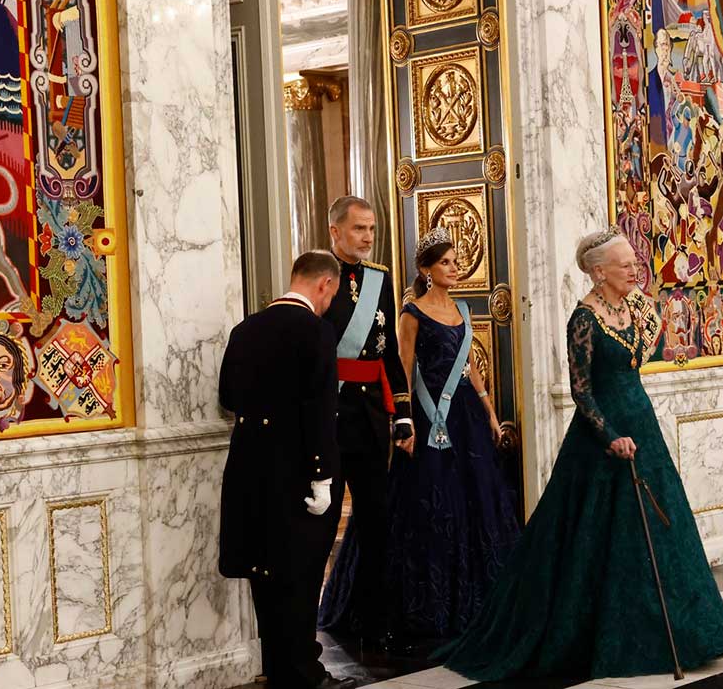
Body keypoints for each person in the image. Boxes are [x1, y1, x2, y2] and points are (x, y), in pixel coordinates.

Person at [435, 231, 723, 681]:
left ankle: (687, 632)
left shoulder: (632, 308)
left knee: (661, 530)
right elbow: (582, 391)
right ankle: (600, 635)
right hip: (601, 440)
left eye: (635, 262)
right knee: (594, 539)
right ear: (599, 272)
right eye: (625, 264)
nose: (635, 270)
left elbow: (643, 355)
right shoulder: (584, 319)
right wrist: (610, 435)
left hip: (644, 427)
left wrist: (652, 316)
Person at [217, 251, 355, 689]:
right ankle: (304, 672)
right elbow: (320, 409)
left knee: (265, 572)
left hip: (249, 466)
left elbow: (227, 396)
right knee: (302, 572)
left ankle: (277, 668)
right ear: (325, 285)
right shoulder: (316, 332)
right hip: (297, 469)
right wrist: (323, 475)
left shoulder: (244, 329)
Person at [387, 227, 520, 639]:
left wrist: (492, 415)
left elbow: (473, 369)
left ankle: (487, 600)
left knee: (478, 499)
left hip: (467, 417)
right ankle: (434, 603)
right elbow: (403, 369)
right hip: (431, 422)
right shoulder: (411, 314)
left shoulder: (464, 308)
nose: (455, 267)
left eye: (456, 261)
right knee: (434, 502)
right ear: (426, 270)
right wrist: (403, 420)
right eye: (445, 262)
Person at [318, 196, 414, 655]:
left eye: (372, 229)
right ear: (335, 232)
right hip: (332, 416)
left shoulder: (379, 278)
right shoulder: (318, 276)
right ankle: (322, 618)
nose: (368, 237)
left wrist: (402, 412)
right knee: (325, 518)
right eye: (359, 229)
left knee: (376, 519)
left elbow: (388, 352)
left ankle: (375, 620)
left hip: (372, 416)